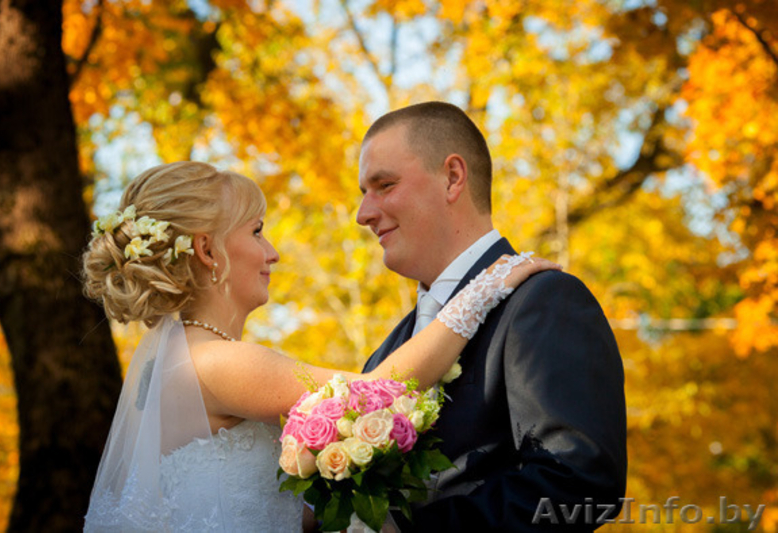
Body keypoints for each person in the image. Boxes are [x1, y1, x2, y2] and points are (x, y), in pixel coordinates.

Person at [80, 161, 559, 532]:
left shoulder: (180, 361)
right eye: (256, 231)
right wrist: (483, 289)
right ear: (208, 252)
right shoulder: (212, 361)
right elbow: (380, 390)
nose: (273, 253)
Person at [357, 102, 627, 532]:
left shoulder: (544, 301)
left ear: (452, 178)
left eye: (384, 185)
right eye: (363, 194)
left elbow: (581, 483)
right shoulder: (389, 353)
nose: (363, 215)